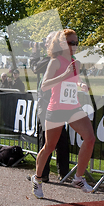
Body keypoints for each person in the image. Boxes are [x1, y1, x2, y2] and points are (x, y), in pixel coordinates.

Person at [30, 29, 95, 198]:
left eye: (76, 43)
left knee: (90, 138)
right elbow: (45, 85)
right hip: (56, 108)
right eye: (70, 43)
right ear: (61, 44)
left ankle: (78, 178)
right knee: (49, 147)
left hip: (73, 107)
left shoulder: (76, 62)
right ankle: (37, 179)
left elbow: (75, 80)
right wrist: (64, 75)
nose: (74, 46)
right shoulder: (55, 62)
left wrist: (81, 85)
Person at [34, 31, 70, 183]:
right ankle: (48, 173)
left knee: (52, 139)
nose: (46, 43)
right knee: (51, 140)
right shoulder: (53, 59)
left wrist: (35, 53)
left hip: (52, 103)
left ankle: (49, 174)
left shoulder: (54, 59)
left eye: (48, 41)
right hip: (50, 102)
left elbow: (35, 67)